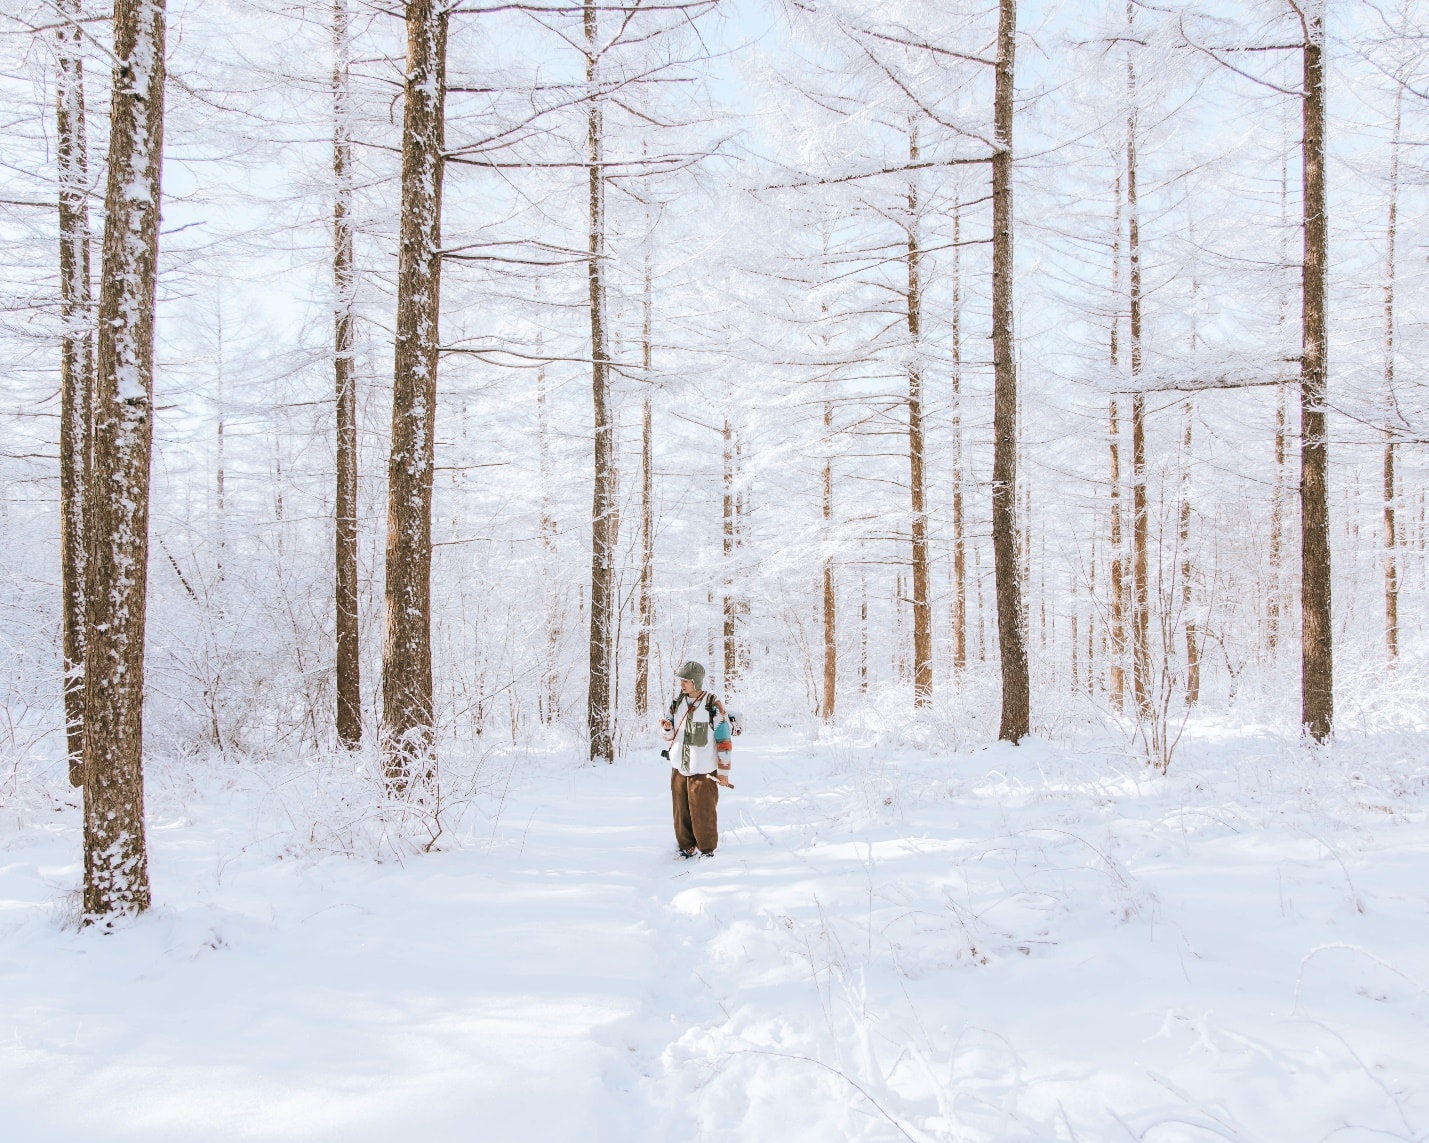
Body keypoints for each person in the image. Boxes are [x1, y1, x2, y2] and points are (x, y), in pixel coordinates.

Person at [659, 661, 733, 859]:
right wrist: (667, 728)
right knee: (680, 811)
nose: (682, 684)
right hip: (678, 768)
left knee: (703, 812)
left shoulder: (712, 705)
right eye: (681, 680)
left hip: (704, 771)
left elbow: (724, 741)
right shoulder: (676, 703)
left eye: (686, 681)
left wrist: (724, 773)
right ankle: (686, 846)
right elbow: (669, 736)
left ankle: (707, 850)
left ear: (695, 682)